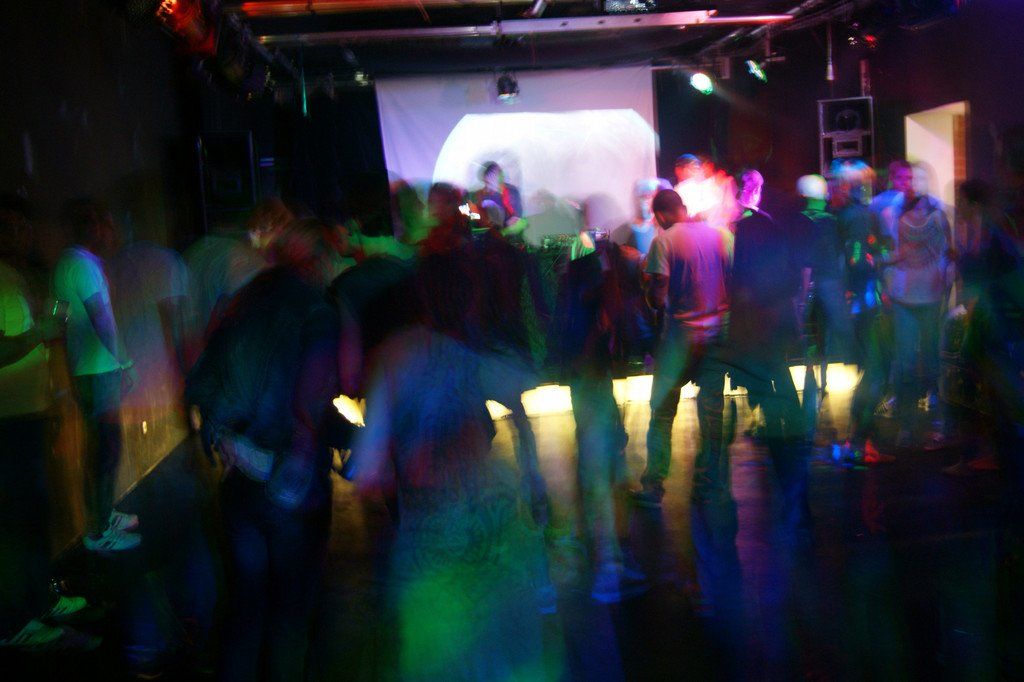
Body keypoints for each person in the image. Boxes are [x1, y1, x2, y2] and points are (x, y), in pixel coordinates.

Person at [348, 252, 548, 681]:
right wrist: (534, 482)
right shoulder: (476, 351)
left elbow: (368, 470)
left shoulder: (393, 357)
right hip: (487, 525)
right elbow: (521, 398)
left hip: (429, 531)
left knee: (436, 654)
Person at [187, 218, 343, 682]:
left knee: (245, 606)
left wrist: (224, 436)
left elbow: (199, 381)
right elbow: (313, 400)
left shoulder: (240, 308)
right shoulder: (315, 310)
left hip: (240, 479)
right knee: (290, 615)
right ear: (317, 261)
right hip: (291, 480)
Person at [0, 196, 98, 652]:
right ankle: (13, 622)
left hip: (26, 414)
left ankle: (39, 599)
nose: (21, 234)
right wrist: (39, 333)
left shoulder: (18, 277)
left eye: (23, 225)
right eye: (10, 226)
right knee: (15, 523)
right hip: (6, 421)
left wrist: (54, 394)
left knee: (33, 515)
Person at [728, 171, 812, 538]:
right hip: (774, 330)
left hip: (756, 333)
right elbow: (792, 281)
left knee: (772, 400)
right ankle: (796, 496)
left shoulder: (747, 233)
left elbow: (739, 287)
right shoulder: (774, 230)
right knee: (783, 398)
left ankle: (791, 491)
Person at [53, 198, 140, 552]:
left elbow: (59, 317)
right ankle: (99, 530)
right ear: (93, 229)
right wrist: (125, 363)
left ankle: (103, 515)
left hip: (85, 371)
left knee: (101, 448)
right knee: (106, 449)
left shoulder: (65, 263)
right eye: (106, 226)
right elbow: (101, 318)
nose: (112, 233)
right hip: (99, 371)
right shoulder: (84, 265)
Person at [637, 190, 732, 510]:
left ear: (660, 215)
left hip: (679, 339)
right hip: (715, 335)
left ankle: (654, 486)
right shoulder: (720, 236)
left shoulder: (663, 241)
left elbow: (658, 296)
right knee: (712, 413)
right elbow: (732, 280)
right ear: (683, 208)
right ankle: (709, 484)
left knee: (663, 411)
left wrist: (648, 291)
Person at [882, 164, 952, 449]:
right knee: (906, 361)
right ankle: (909, 424)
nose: (912, 182)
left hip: (929, 297)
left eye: (917, 178)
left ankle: (937, 423)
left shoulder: (938, 215)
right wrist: (885, 272)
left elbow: (949, 253)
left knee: (931, 359)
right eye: (910, 178)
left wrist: (945, 282)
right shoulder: (895, 213)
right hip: (905, 297)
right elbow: (896, 251)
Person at [832, 162, 894, 463]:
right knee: (875, 371)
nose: (870, 187)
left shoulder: (846, 214)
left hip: (858, 303)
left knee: (871, 371)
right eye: (865, 182)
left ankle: (857, 441)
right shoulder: (860, 215)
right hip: (867, 303)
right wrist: (883, 256)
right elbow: (857, 258)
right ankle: (859, 443)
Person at [611, 178, 672, 257]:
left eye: (651, 196)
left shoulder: (668, 228)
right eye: (644, 196)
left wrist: (640, 258)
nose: (646, 201)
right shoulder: (627, 231)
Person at [474, 161, 523, 228]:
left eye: (496, 174)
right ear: (486, 178)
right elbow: (481, 219)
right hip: (495, 231)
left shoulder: (512, 190)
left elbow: (518, 214)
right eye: (490, 176)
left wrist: (513, 221)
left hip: (513, 229)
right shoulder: (483, 197)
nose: (493, 179)